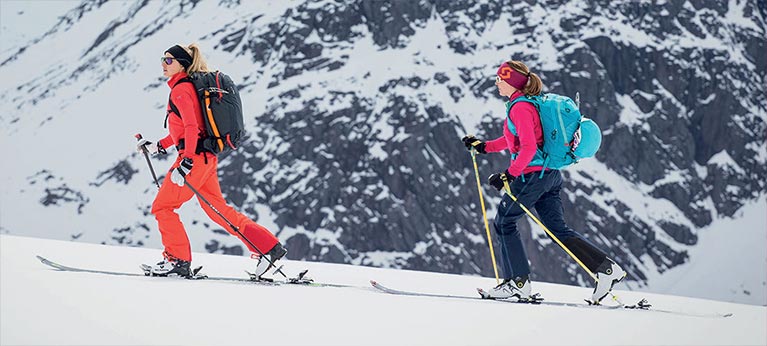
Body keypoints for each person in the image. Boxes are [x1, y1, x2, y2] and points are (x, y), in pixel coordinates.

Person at [462, 60, 626, 304]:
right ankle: (606, 269)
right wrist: (485, 146)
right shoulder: (525, 105)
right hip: (549, 175)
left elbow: (527, 148)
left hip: (532, 176)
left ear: (511, 82)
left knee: (504, 222)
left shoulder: (520, 108)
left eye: (500, 79)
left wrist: (509, 174)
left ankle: (518, 283)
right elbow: (515, 140)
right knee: (557, 229)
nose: (497, 83)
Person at [136, 43, 286, 278]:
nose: (163, 65)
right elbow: (183, 130)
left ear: (182, 64)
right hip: (205, 158)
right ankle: (268, 247)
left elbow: (191, 127)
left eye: (168, 60)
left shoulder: (180, 90)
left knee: (163, 207)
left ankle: (177, 260)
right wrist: (159, 146)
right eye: (163, 60)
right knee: (219, 211)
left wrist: (185, 162)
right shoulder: (186, 87)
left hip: (194, 159)